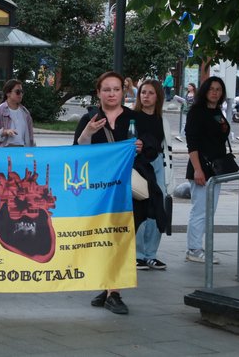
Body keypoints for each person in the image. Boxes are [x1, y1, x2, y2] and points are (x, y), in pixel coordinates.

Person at [74, 71, 161, 315]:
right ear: (98, 93)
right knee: (104, 239)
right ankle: (109, 287)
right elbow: (77, 152)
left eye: (116, 89)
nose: (112, 94)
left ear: (123, 92)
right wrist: (88, 133)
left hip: (129, 191)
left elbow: (153, 146)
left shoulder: (135, 118)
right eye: (106, 89)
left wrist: (142, 146)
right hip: (100, 191)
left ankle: (114, 293)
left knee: (121, 239)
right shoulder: (90, 119)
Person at [184, 76, 230, 264]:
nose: (215, 92)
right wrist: (197, 169)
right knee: (200, 210)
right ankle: (194, 249)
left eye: (218, 89)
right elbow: (192, 143)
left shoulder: (217, 111)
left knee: (208, 210)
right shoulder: (197, 112)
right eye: (211, 89)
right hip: (201, 167)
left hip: (216, 168)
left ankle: (197, 247)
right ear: (204, 91)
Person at [134, 79, 172, 270]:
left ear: (158, 97)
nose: (146, 96)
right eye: (143, 92)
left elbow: (166, 148)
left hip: (157, 164)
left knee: (158, 206)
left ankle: (151, 254)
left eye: (150, 93)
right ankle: (138, 254)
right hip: (138, 165)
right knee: (140, 206)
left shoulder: (162, 120)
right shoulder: (133, 116)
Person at [0, 79, 35, 147]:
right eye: (18, 92)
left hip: (22, 149)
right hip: (4, 149)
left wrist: (32, 150)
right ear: (8, 93)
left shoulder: (25, 113)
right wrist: (5, 132)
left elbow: (30, 136)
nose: (20, 94)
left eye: (22, 92)